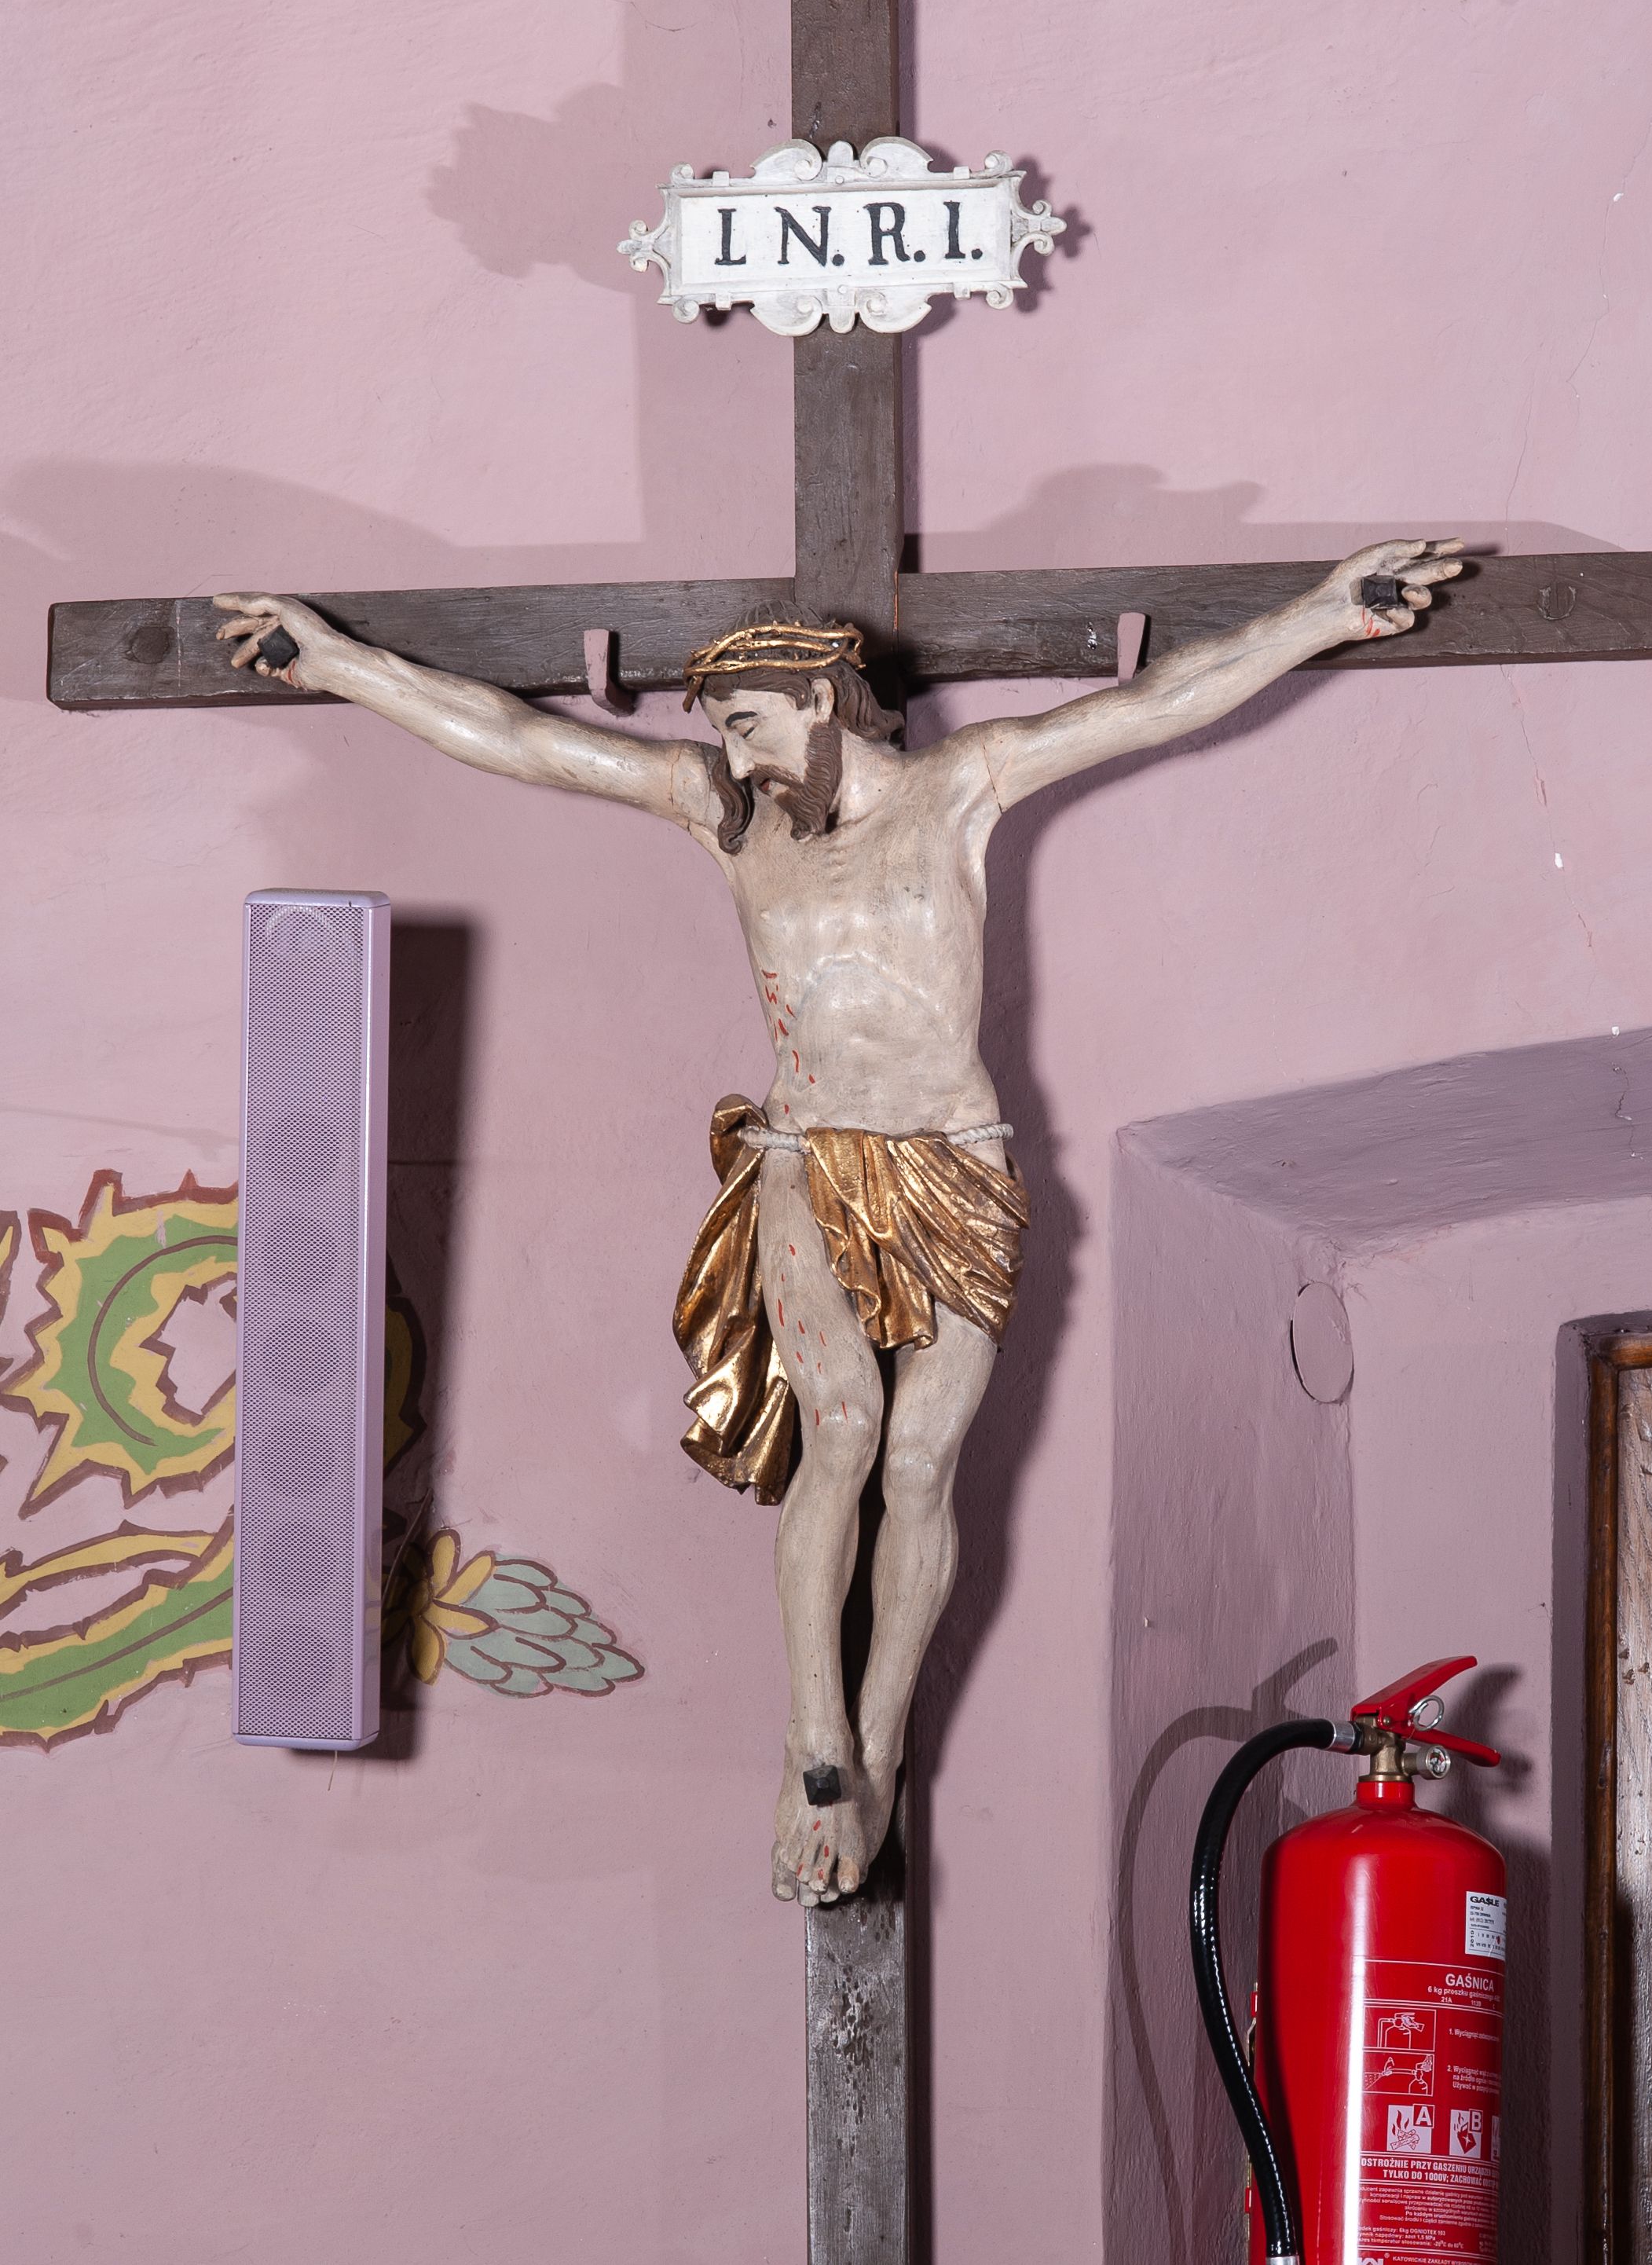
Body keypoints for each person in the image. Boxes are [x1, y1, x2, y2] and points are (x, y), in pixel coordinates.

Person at [215, 536, 1461, 1902]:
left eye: (749, 723)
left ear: (822, 698)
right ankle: (812, 1740)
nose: (736, 754)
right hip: (804, 1159)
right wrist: (336, 663)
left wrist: (1323, 613)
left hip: (955, 1169)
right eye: (721, 732)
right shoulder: (727, 818)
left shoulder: (959, 787)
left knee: (922, 1460)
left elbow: (1155, 703)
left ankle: (877, 1748)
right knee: (845, 1428)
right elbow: (524, 742)